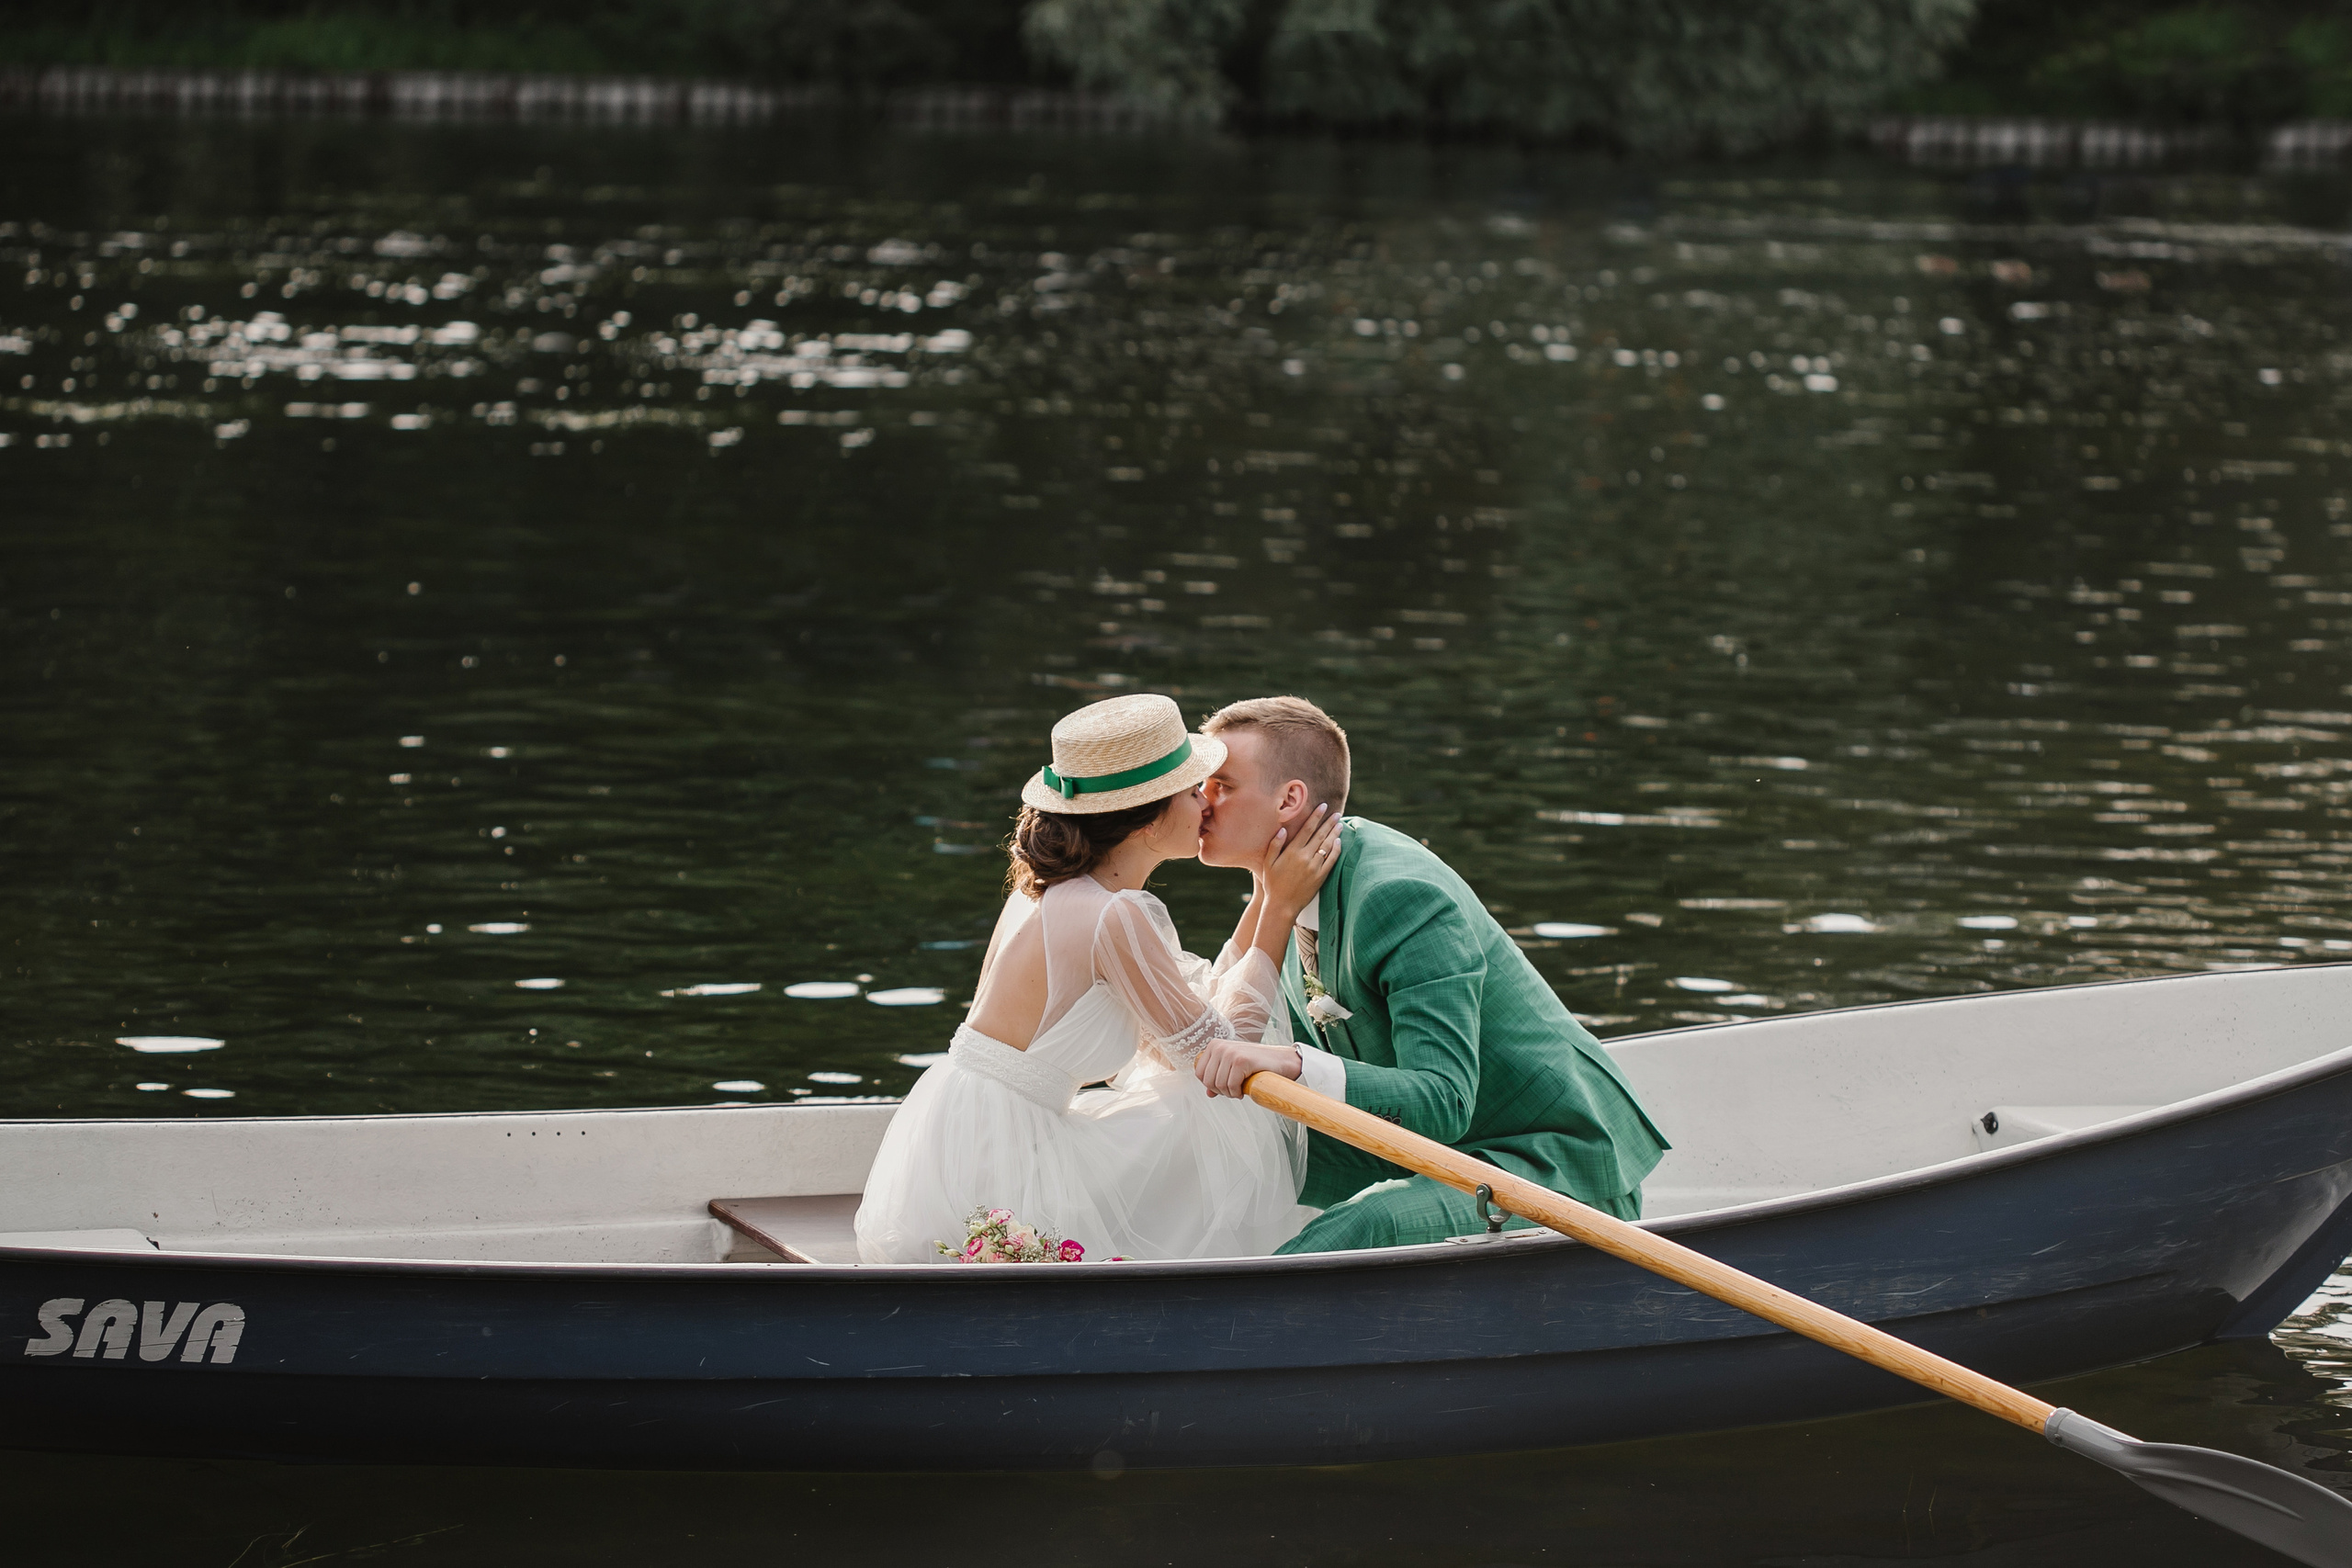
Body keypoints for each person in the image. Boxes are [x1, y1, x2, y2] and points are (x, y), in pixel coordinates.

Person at [854, 692, 1341, 1264]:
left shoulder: (1051, 890)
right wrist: (1279, 910)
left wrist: (1262, 889)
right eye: (1192, 791)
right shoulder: (1113, 916)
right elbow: (1223, 1056)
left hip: (965, 1128)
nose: (1206, 804)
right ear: (1150, 821)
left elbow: (1176, 1036)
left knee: (1182, 1106)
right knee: (1217, 1111)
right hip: (1004, 1155)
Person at [1187, 695, 1669, 1253]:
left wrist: (1294, 1063)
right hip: (1430, 1148)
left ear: (1289, 799)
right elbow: (1227, 1030)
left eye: (1221, 785)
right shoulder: (1290, 888)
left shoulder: (1399, 896)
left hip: (1548, 1164)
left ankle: (1226, 1311)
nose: (1201, 802)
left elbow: (1445, 1101)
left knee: (1364, 1225)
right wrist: (1268, 904)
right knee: (1224, 1149)